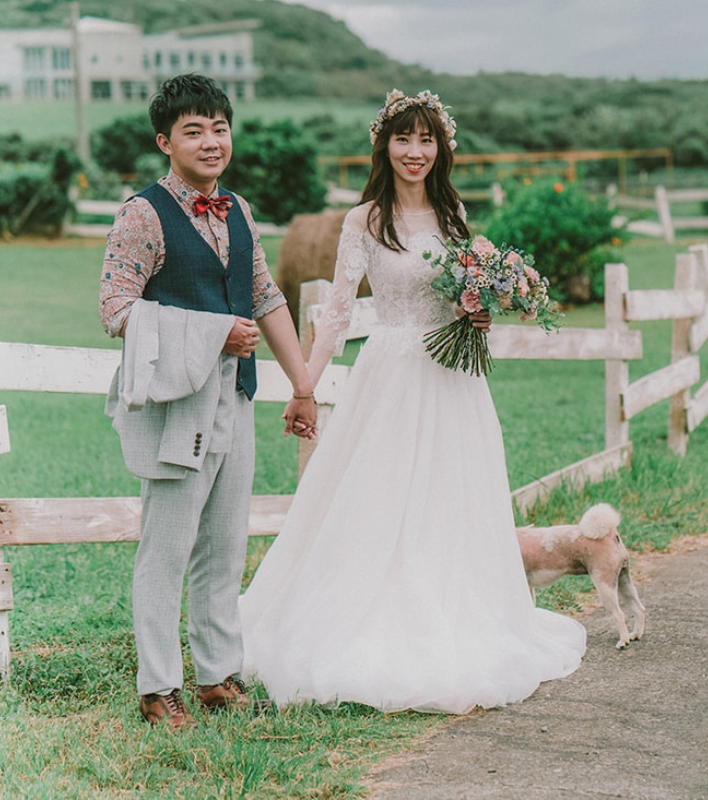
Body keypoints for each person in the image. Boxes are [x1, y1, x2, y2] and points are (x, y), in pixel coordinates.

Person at [238, 89, 586, 713]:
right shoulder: (364, 221)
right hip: (390, 376)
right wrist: (305, 387)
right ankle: (361, 619)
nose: (415, 152)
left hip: (453, 382)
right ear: (385, 146)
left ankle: (457, 614)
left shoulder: (456, 219)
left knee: (452, 499)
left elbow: (460, 299)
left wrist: (477, 313)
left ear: (441, 149)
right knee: (378, 497)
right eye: (404, 139)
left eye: (426, 140)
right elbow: (337, 318)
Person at [99, 73, 318, 730]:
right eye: (193, 130)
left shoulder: (241, 209)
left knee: (225, 546)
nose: (211, 140)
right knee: (166, 548)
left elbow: (266, 299)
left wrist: (303, 384)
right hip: (177, 405)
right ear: (165, 140)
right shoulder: (142, 214)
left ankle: (219, 675)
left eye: (219, 127)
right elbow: (114, 310)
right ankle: (158, 686)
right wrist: (210, 334)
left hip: (237, 399)